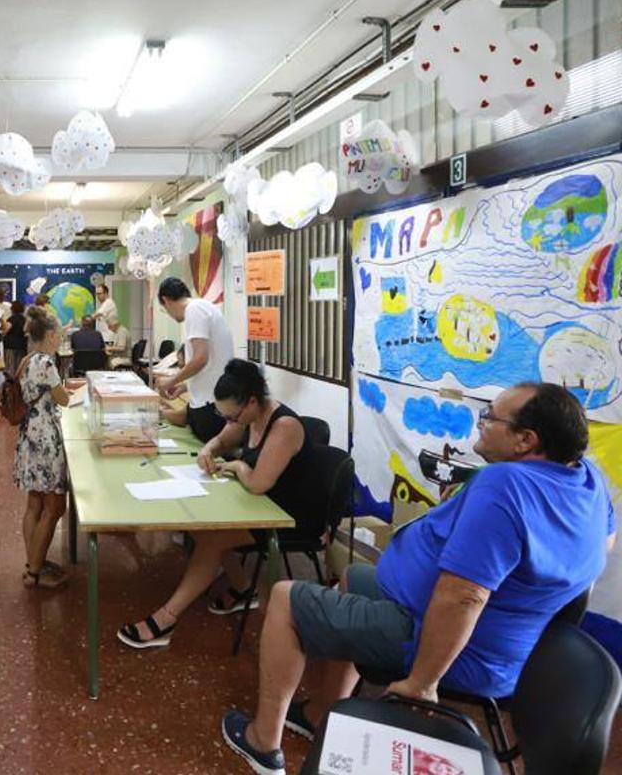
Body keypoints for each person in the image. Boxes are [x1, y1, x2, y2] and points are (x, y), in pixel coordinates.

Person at [221, 382, 616, 775]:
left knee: (285, 598)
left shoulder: (506, 486)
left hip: (444, 640)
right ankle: (321, 711)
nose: (481, 421)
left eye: (491, 416)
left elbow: (464, 597)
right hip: (482, 637)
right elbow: (600, 552)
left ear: (525, 440)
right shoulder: (587, 480)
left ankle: (263, 743)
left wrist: (422, 683)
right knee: (352, 578)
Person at [117, 359, 315, 649]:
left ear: (250, 402)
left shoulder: (283, 426)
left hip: (287, 515)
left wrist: (234, 466)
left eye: (233, 417)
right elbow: (220, 440)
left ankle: (166, 619)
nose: (231, 422)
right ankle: (244, 589)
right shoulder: (249, 417)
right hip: (256, 503)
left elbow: (259, 483)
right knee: (201, 527)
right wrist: (208, 451)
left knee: (211, 538)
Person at [14, 309, 72, 589]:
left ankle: (32, 563)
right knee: (54, 507)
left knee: (34, 503)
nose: (60, 338)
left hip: (29, 437)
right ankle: (35, 572)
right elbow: (63, 400)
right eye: (59, 334)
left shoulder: (26, 360)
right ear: (50, 335)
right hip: (46, 440)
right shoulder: (46, 363)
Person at [155, 277, 234, 444]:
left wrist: (171, 381)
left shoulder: (194, 310)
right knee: (186, 418)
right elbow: (210, 361)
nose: (169, 315)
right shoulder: (203, 308)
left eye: (164, 310)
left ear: (166, 300)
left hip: (212, 405)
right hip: (207, 402)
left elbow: (200, 358)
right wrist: (184, 385)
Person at [2, 300, 28, 377]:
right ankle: (18, 385)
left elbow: (6, 329)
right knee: (20, 368)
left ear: (12, 309)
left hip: (10, 346)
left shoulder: (11, 319)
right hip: (22, 346)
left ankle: (10, 386)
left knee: (10, 368)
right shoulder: (25, 319)